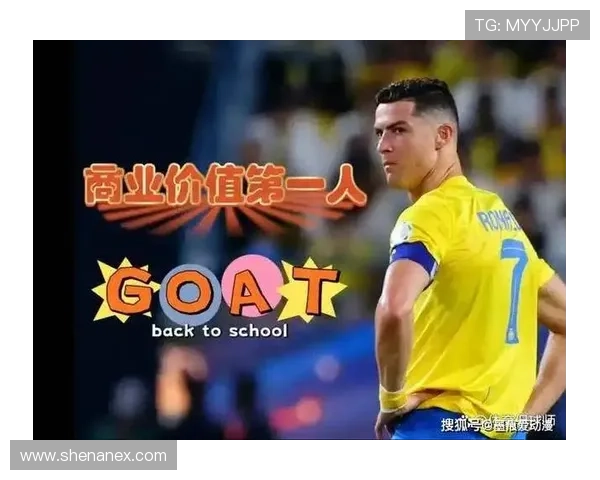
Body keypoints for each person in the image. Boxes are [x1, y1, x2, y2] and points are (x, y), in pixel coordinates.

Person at [372, 78, 567, 440]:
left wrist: (391, 399)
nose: (383, 145)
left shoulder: (429, 214)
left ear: (443, 135)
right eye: (380, 133)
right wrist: (523, 423)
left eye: (399, 130)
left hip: (435, 430)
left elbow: (394, 308)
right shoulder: (499, 217)